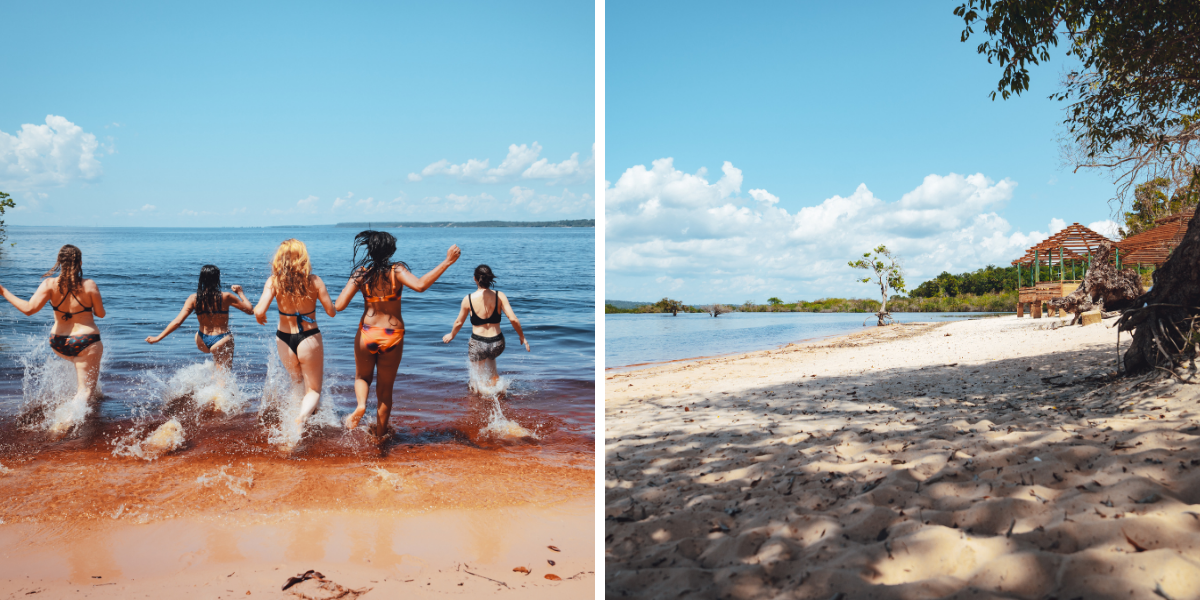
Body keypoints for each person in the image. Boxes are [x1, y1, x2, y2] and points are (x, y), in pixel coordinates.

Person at [334, 230, 460, 436]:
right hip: (392, 334)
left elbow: (339, 305)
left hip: (367, 333)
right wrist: (447, 262)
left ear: (371, 250)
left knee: (362, 378)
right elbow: (420, 286)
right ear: (390, 250)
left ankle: (361, 406)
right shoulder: (397, 271)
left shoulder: (361, 273)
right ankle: (380, 436)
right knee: (385, 390)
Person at [0, 244, 106, 430]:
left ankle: (76, 405)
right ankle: (64, 423)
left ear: (59, 263)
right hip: (86, 341)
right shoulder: (89, 285)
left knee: (81, 371)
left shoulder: (49, 284)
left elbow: (28, 309)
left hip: (58, 342)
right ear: (80, 263)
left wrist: (3, 291)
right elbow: (101, 314)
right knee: (86, 389)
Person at [253, 239, 336, 432]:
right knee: (313, 389)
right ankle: (301, 418)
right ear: (303, 258)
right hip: (309, 338)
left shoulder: (274, 281)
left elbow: (259, 310)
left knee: (296, 380)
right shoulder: (315, 281)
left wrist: (260, 317)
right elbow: (331, 311)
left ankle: (294, 417)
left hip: (284, 339)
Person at [145, 265, 253, 371]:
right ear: (217, 279)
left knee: (217, 367)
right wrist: (240, 293)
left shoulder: (193, 298)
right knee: (223, 377)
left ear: (201, 279)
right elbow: (250, 310)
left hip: (201, 340)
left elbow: (178, 322)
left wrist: (158, 338)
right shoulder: (226, 296)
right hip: (221, 339)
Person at [442, 264, 530, 392]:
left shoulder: (468, 299)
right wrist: (522, 336)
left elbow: (458, 322)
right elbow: (513, 319)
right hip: (497, 344)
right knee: (491, 365)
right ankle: (500, 391)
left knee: (476, 379)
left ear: (475, 279)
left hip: (478, 343)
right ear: (490, 279)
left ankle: (484, 399)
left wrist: (451, 335)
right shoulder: (500, 296)